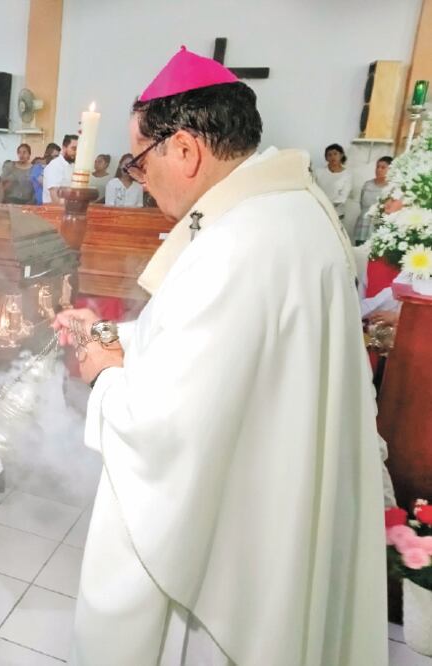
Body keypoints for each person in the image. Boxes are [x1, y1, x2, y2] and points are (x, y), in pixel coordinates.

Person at [58, 46, 384, 666]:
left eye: (139, 158)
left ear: (185, 149)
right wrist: (113, 335)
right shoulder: (288, 211)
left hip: (231, 550)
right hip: (272, 502)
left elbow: (170, 427)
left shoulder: (241, 243)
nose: (137, 175)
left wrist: (104, 370)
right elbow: (201, 349)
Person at [315, 142, 352, 232]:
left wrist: (328, 206)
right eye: (329, 155)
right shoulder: (318, 172)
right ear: (326, 158)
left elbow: (343, 196)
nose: (332, 157)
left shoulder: (347, 175)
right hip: (319, 211)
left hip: (337, 214)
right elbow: (313, 190)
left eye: (335, 154)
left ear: (341, 155)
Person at [356, 155, 392, 245]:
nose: (379, 170)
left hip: (379, 226)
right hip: (364, 223)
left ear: (391, 169)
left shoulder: (392, 188)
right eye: (377, 167)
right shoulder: (367, 184)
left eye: (383, 167)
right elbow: (361, 203)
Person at [42, 134, 77, 204]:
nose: (76, 152)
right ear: (64, 148)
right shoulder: (55, 166)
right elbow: (55, 197)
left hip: (70, 209)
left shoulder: (73, 166)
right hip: (54, 211)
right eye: (74, 148)